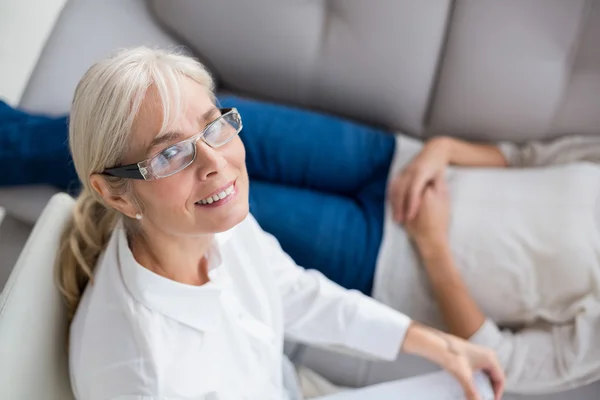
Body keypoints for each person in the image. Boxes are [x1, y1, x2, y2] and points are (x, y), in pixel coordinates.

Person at [2, 47, 598, 395]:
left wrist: (434, 343)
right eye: (170, 152)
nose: (219, 163)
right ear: (116, 194)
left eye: (215, 125)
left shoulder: (216, 225)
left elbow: (289, 290)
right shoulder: (152, 374)